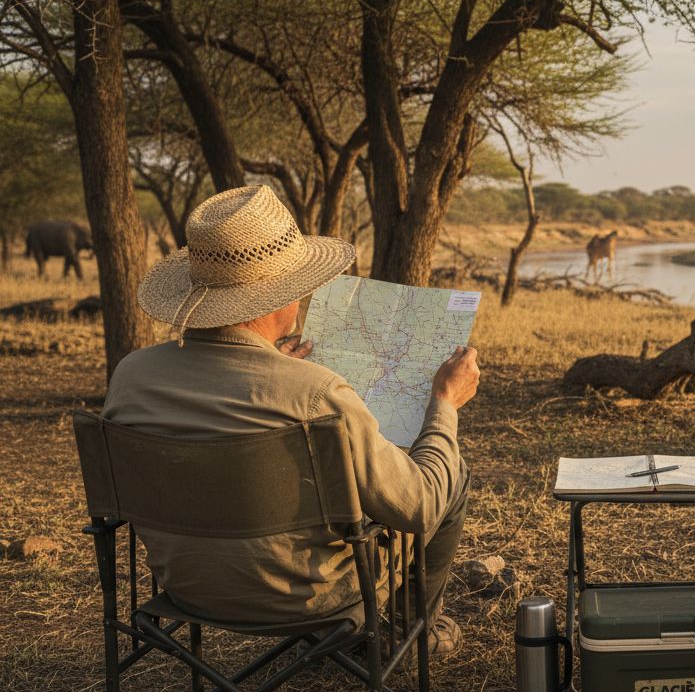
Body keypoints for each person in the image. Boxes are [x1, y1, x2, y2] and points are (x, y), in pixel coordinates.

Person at [102, 184, 477, 655]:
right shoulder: (314, 391)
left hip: (187, 587)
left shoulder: (131, 375)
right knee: (449, 474)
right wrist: (443, 403)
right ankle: (404, 634)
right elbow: (419, 507)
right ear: (277, 298)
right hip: (309, 598)